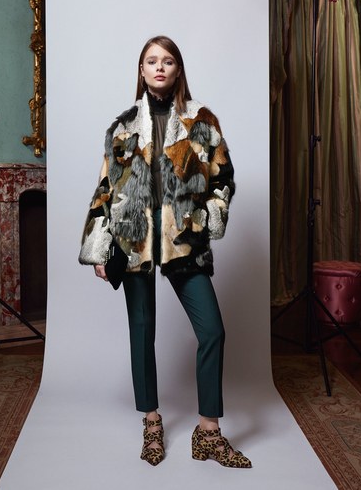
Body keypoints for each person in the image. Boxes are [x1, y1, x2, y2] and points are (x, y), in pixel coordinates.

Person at [79, 35, 251, 468]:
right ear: (141, 70)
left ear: (178, 70)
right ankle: (152, 421)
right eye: (151, 61)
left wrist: (208, 216)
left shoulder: (201, 120)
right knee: (142, 332)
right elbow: (105, 189)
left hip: (182, 240)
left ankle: (208, 432)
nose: (159, 67)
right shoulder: (122, 127)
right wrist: (100, 245)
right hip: (133, 241)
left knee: (212, 330)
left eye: (168, 60)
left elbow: (223, 178)